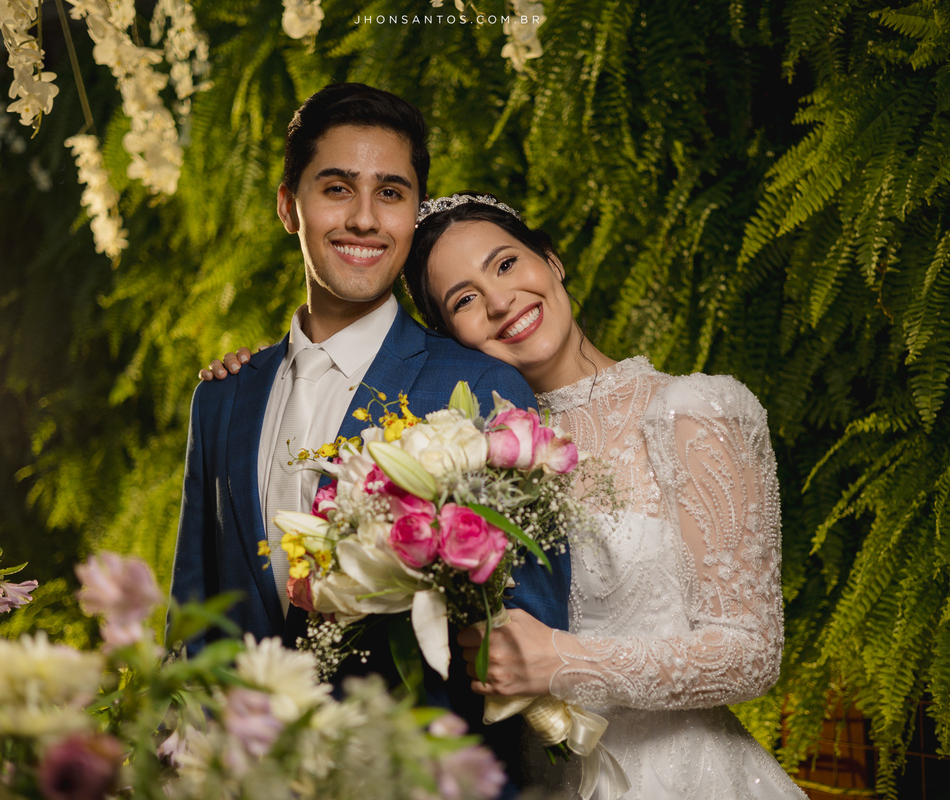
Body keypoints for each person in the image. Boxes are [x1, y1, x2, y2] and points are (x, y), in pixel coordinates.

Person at [205, 192, 806, 799]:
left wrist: (561, 663)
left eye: (506, 264)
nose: (499, 300)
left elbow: (751, 654)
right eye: (464, 300)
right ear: (449, 338)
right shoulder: (457, 452)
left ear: (552, 261)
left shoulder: (690, 411)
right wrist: (262, 374)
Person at [172, 91, 569, 796]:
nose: (363, 217)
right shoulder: (223, 398)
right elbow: (195, 623)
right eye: (336, 188)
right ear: (288, 206)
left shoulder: (480, 388)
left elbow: (530, 640)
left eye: (390, 193)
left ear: (412, 215)